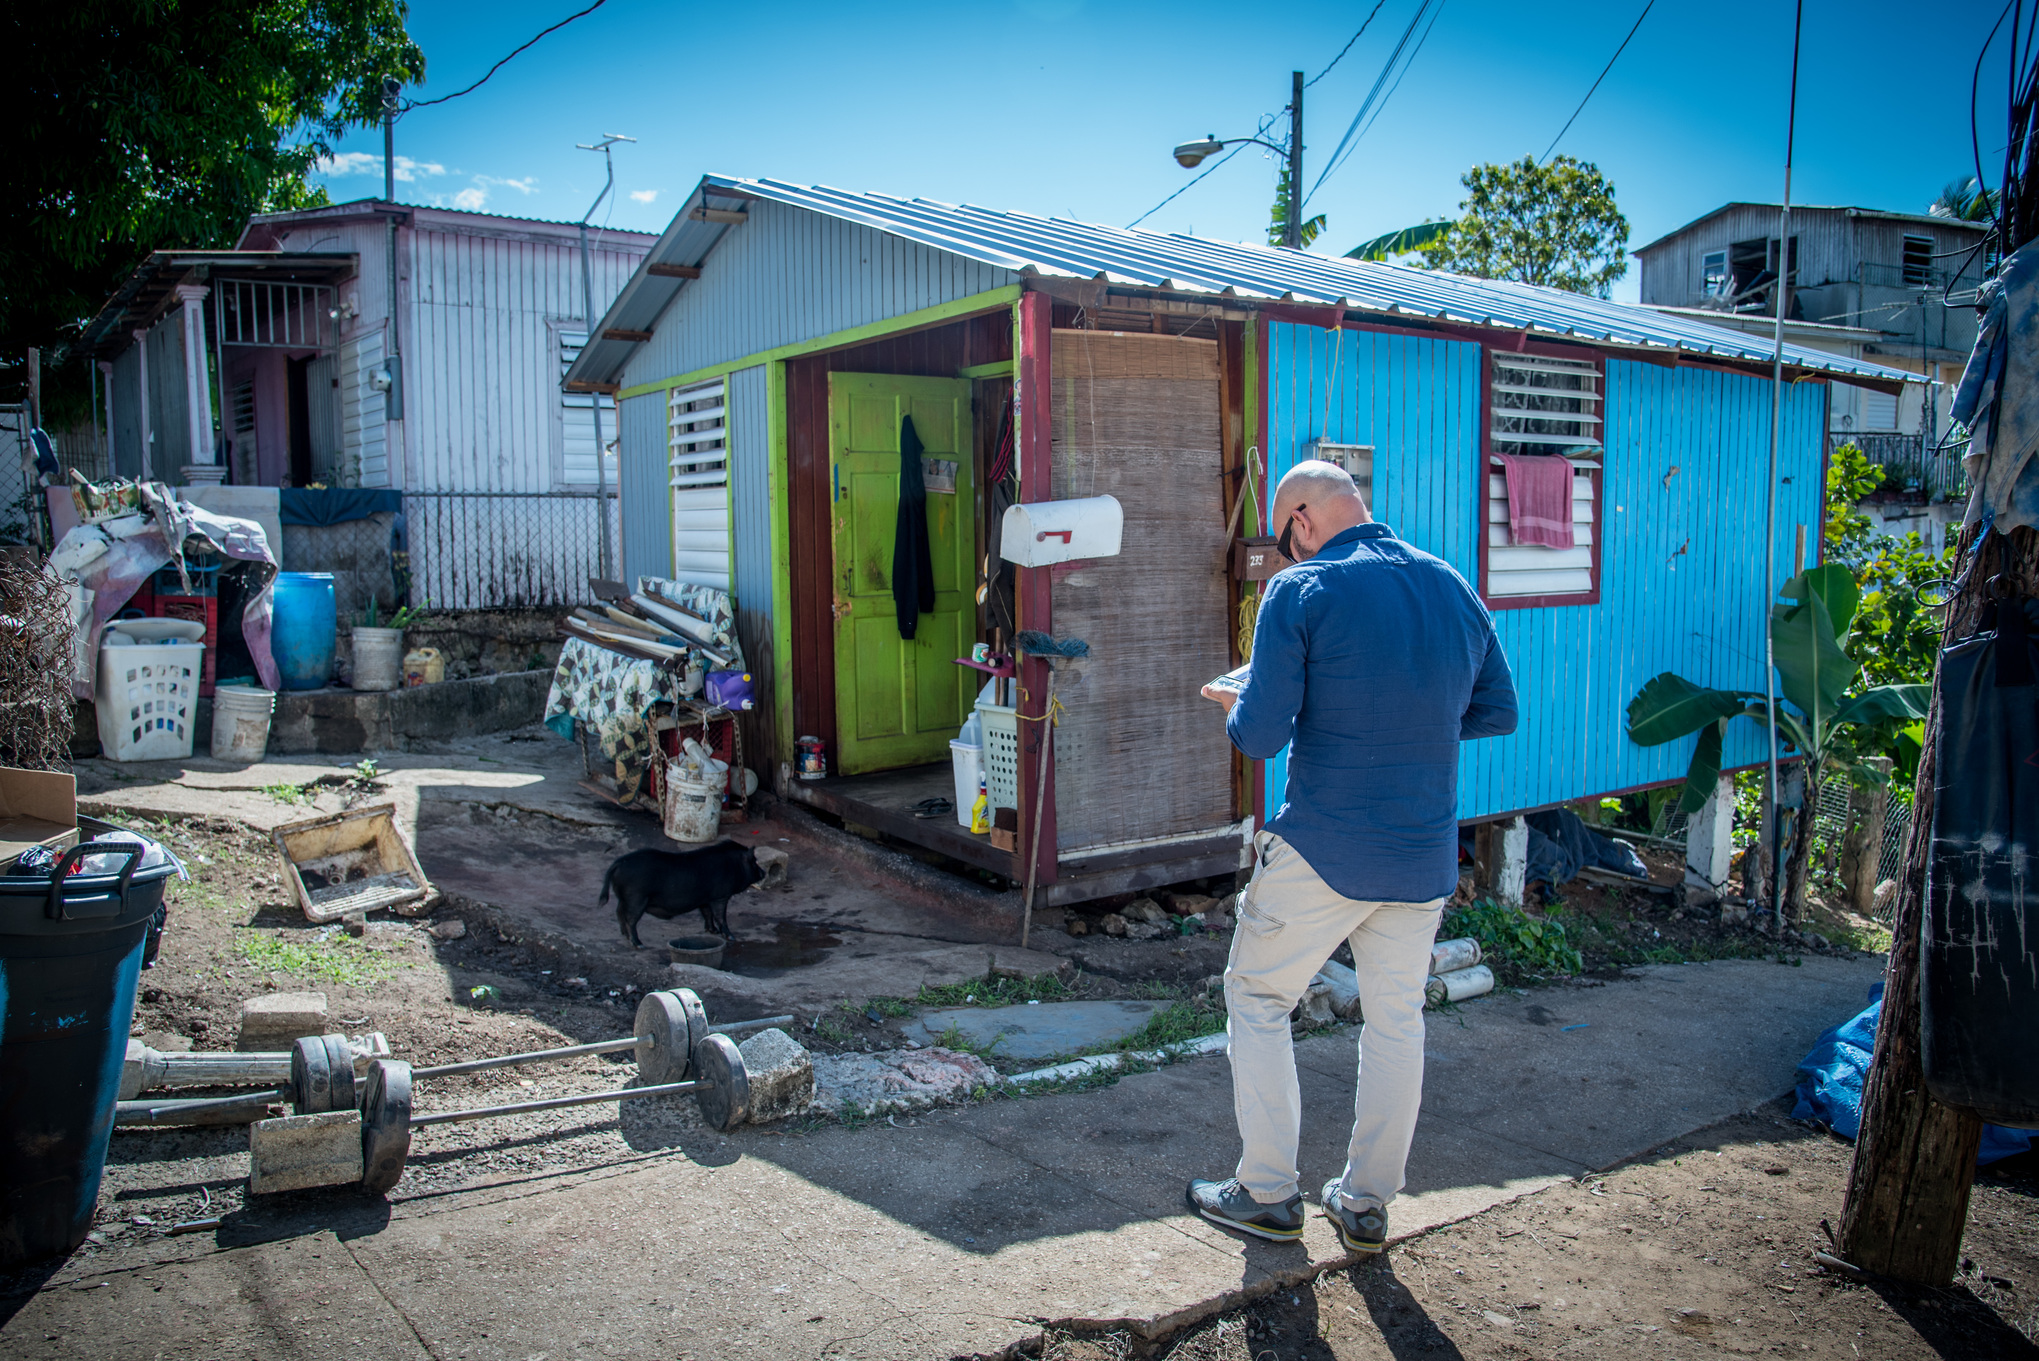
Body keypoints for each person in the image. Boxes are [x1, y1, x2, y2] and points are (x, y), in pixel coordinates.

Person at [1188, 459, 1518, 1254]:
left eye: (1283, 538)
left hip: (1324, 845)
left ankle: (1266, 1191)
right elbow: (1495, 710)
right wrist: (1404, 722)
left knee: (1257, 996)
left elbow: (1262, 736)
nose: (1285, 553)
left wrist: (1239, 702)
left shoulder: (1298, 592)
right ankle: (1365, 1204)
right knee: (1396, 1020)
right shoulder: (1449, 584)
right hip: (1422, 852)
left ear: (1300, 519)